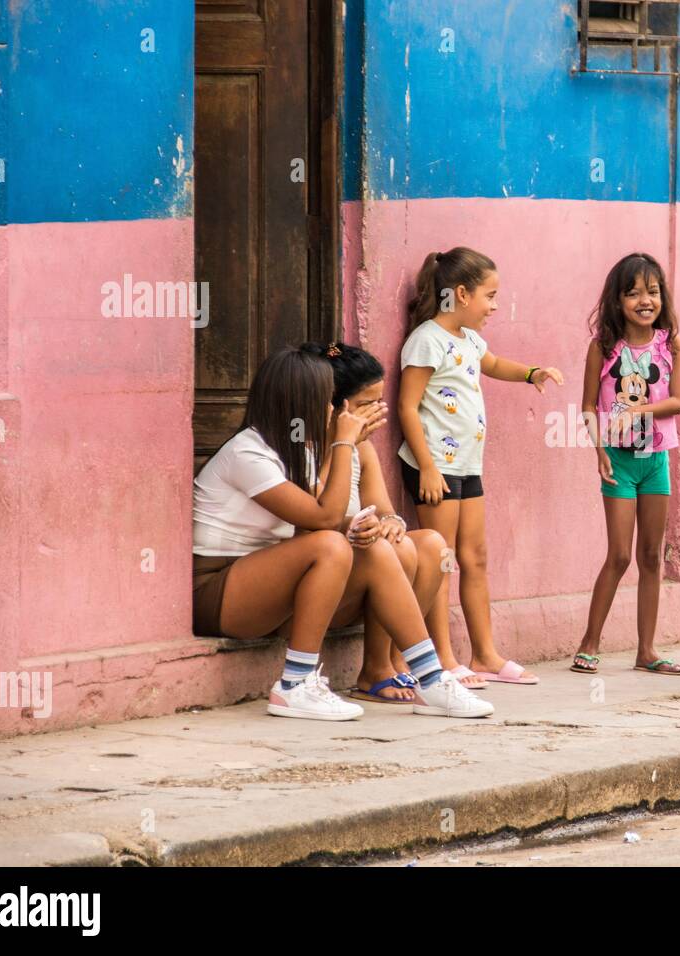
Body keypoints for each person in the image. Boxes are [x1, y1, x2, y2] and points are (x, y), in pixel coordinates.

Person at [192, 346, 493, 719]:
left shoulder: (295, 449)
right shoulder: (249, 453)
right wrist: (344, 442)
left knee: (383, 547)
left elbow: (329, 520)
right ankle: (295, 684)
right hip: (216, 591)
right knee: (330, 546)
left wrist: (379, 525)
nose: (335, 411)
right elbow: (324, 518)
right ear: (299, 404)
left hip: (265, 589)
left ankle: (430, 679)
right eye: (327, 402)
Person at [396, 247, 563, 685]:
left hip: (467, 465)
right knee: (442, 560)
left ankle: (485, 654)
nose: (494, 306)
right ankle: (443, 659)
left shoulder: (469, 340)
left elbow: (491, 364)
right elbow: (408, 408)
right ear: (462, 294)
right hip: (434, 468)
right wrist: (428, 468)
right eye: (490, 296)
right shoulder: (426, 339)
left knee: (476, 557)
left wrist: (532, 374)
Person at [305, 341, 489, 699]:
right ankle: (379, 668)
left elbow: (383, 509)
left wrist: (391, 523)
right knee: (393, 552)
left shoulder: (365, 449)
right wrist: (340, 443)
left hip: (362, 572)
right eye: (364, 405)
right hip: (323, 579)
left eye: (379, 401)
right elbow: (319, 513)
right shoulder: (305, 446)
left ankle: (391, 661)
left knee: (432, 544)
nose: (377, 413)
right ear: (330, 407)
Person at [570, 253, 680, 677]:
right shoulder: (602, 348)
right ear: (617, 300)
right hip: (619, 461)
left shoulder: (671, 343)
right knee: (619, 555)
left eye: (652, 292)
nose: (644, 300)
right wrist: (598, 449)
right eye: (633, 292)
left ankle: (647, 650)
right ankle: (590, 642)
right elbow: (587, 406)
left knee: (652, 555)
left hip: (655, 460)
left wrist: (641, 411)